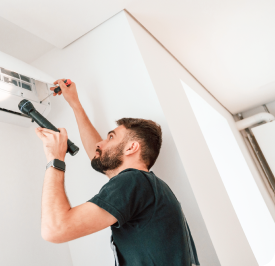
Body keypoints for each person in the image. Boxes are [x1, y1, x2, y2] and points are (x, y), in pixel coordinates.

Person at [35, 79, 200, 266]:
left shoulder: (134, 181)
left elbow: (54, 229)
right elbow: (97, 153)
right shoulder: (150, 187)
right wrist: (75, 103)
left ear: (131, 148)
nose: (100, 143)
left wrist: (55, 159)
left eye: (111, 137)